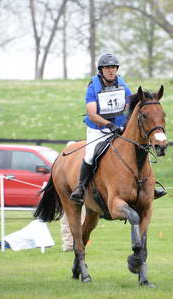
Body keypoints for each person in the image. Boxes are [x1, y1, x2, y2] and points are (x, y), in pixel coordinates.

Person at [69, 53, 166, 205]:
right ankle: (80, 188)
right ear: (101, 70)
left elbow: (131, 106)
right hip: (98, 130)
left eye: (113, 67)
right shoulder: (93, 86)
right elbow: (92, 114)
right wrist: (109, 125)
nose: (111, 70)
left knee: (141, 150)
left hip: (119, 129)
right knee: (90, 154)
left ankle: (151, 186)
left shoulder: (122, 84)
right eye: (107, 68)